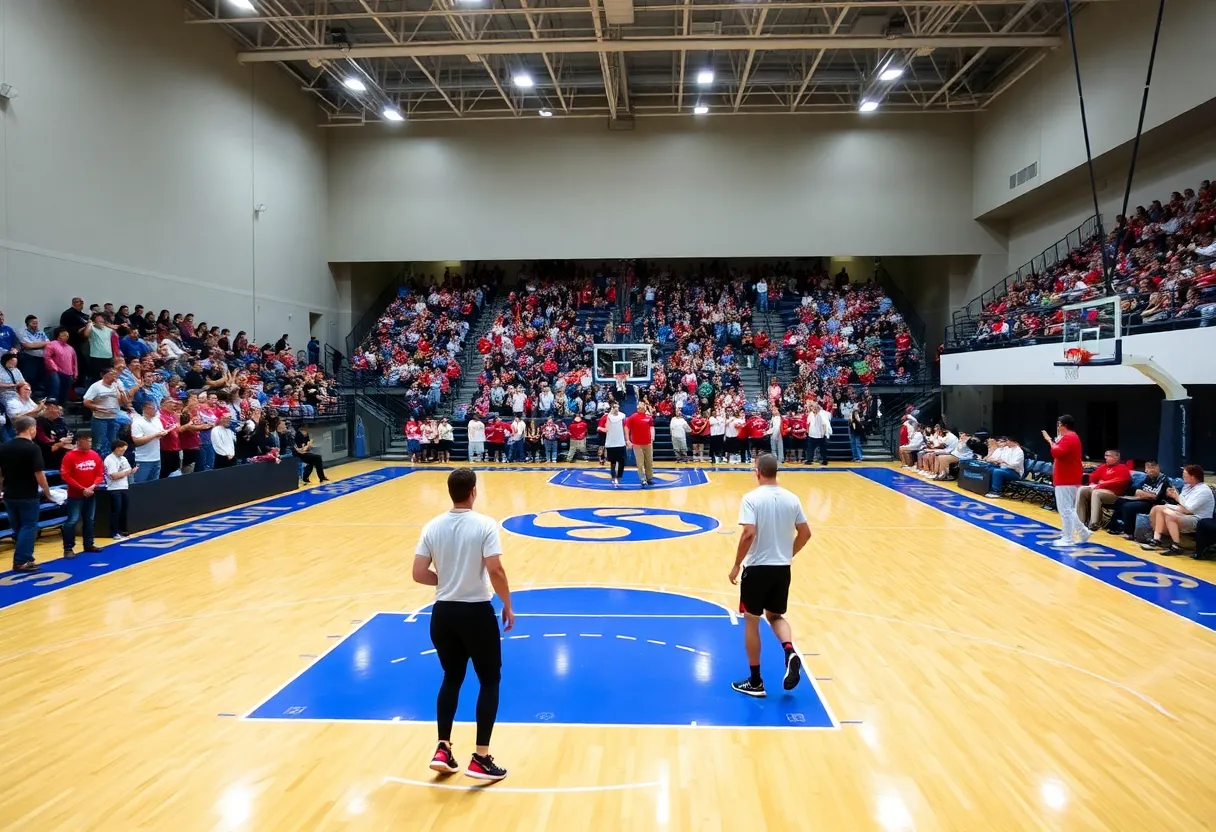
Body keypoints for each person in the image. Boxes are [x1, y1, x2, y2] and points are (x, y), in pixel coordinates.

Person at [413, 469, 513, 782]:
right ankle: (481, 757)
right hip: (476, 614)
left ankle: (443, 748)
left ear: (450, 491)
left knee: (452, 677)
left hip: (442, 614)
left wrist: (448, 580)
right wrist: (508, 604)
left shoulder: (432, 526)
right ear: (472, 492)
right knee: (489, 680)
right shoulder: (484, 524)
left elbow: (418, 573)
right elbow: (495, 569)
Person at [728, 453, 812, 698]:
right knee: (775, 615)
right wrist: (787, 553)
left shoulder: (751, 499)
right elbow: (805, 533)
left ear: (757, 471)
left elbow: (748, 534)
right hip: (781, 569)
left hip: (757, 569)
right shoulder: (791, 498)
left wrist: (736, 565)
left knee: (752, 621)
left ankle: (755, 681)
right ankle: (789, 651)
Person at [0, 416, 56, 572]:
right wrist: (47, 492)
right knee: (29, 526)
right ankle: (21, 560)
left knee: (18, 528)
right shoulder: (32, 448)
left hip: (9, 494)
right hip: (27, 494)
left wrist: (1, 490)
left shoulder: (4, 447)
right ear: (31, 428)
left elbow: (0, 472)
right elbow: (39, 473)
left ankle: (27, 556)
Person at [1142, 465, 1215, 556]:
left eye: (1185, 474)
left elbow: (1189, 509)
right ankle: (1157, 540)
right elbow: (1182, 505)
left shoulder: (1203, 491)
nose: (1183, 476)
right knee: (1158, 509)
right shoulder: (1187, 487)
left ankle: (1176, 546)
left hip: (1197, 518)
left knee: (1170, 515)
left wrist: (1176, 497)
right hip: (1185, 512)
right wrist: (1170, 502)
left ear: (1193, 477)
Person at [59, 428, 105, 558]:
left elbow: (100, 473)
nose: (90, 443)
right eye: (88, 441)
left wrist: (92, 486)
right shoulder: (69, 456)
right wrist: (81, 488)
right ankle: (68, 548)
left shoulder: (94, 455)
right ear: (80, 441)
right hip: (75, 495)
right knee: (72, 521)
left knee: (89, 520)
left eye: (91, 440)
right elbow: (65, 475)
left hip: (90, 493)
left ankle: (89, 544)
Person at [1043, 414, 1087, 548]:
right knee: (1069, 509)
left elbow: (1057, 452)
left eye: (1059, 424)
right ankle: (1082, 532)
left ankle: (1068, 538)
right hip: (1068, 477)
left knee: (1065, 510)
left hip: (1066, 478)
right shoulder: (1069, 437)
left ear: (1064, 425)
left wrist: (1049, 441)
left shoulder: (1069, 437)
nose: (1057, 427)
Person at [1107, 460, 1170, 538]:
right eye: (1146, 468)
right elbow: (1136, 491)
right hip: (1142, 499)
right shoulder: (1147, 478)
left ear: (1157, 467)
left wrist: (1144, 494)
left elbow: (1155, 497)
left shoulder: (1163, 480)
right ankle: (1115, 527)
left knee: (1128, 507)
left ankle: (1130, 532)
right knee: (1118, 501)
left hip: (1153, 504)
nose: (1147, 471)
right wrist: (1143, 493)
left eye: (1150, 468)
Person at [83, 366, 129, 458]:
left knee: (113, 443)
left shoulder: (117, 384)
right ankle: (99, 462)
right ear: (104, 376)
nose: (114, 376)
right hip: (100, 419)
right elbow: (86, 402)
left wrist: (121, 392)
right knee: (99, 443)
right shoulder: (96, 386)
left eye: (115, 374)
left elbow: (125, 402)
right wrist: (97, 408)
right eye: (112, 374)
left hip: (113, 418)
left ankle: (111, 464)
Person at [104, 438, 135, 540]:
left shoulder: (123, 458)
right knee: (116, 510)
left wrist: (128, 472)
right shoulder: (109, 459)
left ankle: (122, 530)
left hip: (124, 486)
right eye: (121, 450)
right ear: (116, 449)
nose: (123, 452)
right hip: (114, 488)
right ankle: (114, 531)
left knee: (123, 509)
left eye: (124, 450)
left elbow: (129, 470)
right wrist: (126, 472)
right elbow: (114, 476)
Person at [625, 401, 655, 486]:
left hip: (648, 443)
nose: (642, 407)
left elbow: (652, 427)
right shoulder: (633, 417)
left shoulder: (649, 417)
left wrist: (652, 437)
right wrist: (628, 440)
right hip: (637, 444)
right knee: (640, 462)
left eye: (643, 405)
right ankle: (642, 479)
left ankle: (649, 478)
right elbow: (627, 427)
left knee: (649, 461)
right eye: (640, 406)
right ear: (638, 408)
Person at [600, 401, 627, 486]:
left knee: (621, 462)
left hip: (621, 442)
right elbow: (604, 428)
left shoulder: (623, 416)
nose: (616, 409)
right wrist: (601, 428)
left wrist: (627, 439)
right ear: (611, 408)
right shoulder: (607, 417)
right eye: (614, 407)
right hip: (611, 443)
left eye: (617, 407)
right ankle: (613, 477)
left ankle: (619, 477)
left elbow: (625, 427)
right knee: (613, 462)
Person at [806, 402, 831, 467]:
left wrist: (824, 433)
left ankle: (824, 460)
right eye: (813, 408)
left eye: (816, 408)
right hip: (811, 434)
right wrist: (808, 431)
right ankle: (809, 460)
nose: (814, 409)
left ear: (818, 408)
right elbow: (808, 423)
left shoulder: (822, 415)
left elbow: (825, 425)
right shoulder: (810, 414)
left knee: (823, 449)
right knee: (810, 448)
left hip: (820, 435)